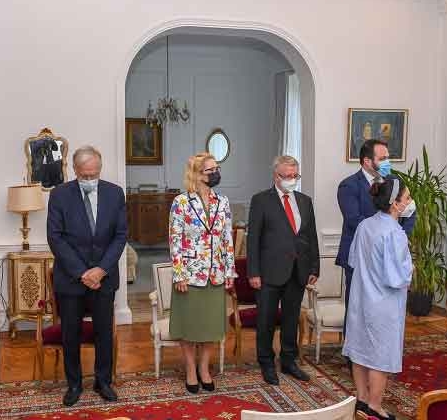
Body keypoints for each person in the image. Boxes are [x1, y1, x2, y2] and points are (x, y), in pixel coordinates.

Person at [47, 146, 126, 407]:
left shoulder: (115, 193)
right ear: (75, 171)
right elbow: (55, 238)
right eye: (85, 176)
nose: (91, 180)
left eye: (95, 174)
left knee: (104, 331)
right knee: (71, 333)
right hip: (71, 280)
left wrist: (101, 269)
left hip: (104, 277)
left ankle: (103, 382)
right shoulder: (60, 195)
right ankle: (74, 384)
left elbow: (120, 235)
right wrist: (82, 273)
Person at [343, 178, 415, 420]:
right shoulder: (394, 233)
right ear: (395, 204)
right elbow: (397, 277)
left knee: (360, 350)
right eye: (406, 199)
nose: (409, 202)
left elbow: (353, 260)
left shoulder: (365, 225)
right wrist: (410, 268)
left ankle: (361, 398)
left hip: (361, 298)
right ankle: (375, 405)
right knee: (380, 356)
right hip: (384, 304)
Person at [247, 155, 319, 385]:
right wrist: (253, 272)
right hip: (269, 272)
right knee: (266, 320)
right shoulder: (261, 200)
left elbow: (311, 236)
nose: (291, 180)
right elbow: (253, 240)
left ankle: (289, 360)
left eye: (294, 176)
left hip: (298, 271)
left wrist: (314, 266)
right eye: (286, 176)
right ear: (275, 175)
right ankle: (266, 362)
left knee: (290, 319)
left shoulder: (305, 201)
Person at [168, 152, 236, 393]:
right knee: (190, 327)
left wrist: (230, 271)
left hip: (215, 274)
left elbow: (228, 238)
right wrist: (179, 274)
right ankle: (189, 370)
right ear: (197, 175)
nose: (216, 173)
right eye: (210, 170)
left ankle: (205, 368)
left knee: (209, 327)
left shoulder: (223, 202)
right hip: (190, 275)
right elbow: (175, 239)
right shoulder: (181, 202)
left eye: (217, 168)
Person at [336, 139, 414, 339]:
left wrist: (398, 236)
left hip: (389, 256)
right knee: (357, 307)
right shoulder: (349, 186)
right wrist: (385, 233)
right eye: (383, 158)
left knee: (382, 309)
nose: (388, 162)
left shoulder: (394, 182)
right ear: (367, 161)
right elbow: (354, 220)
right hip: (360, 256)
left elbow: (410, 211)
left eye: (388, 157)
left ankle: (379, 349)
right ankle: (353, 357)